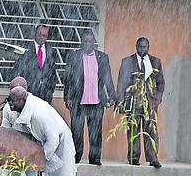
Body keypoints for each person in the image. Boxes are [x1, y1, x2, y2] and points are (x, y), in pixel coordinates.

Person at [4, 85, 76, 176]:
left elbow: (53, 139)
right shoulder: (21, 111)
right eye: (9, 101)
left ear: (23, 100)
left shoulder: (39, 113)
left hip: (59, 145)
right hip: (42, 147)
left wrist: (42, 160)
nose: (10, 104)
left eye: (13, 101)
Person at [63, 29, 116, 166]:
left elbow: (107, 77)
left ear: (94, 42)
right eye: (85, 41)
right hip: (78, 101)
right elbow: (67, 78)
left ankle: (95, 159)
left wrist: (112, 95)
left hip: (97, 101)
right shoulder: (74, 56)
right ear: (81, 42)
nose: (87, 44)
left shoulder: (102, 57)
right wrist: (68, 97)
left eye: (90, 41)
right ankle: (75, 158)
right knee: (77, 133)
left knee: (96, 133)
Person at [117, 37, 166, 168]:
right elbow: (121, 83)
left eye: (144, 47)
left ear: (148, 47)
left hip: (150, 102)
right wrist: (121, 101)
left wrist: (157, 98)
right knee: (133, 129)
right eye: (140, 47)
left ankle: (153, 158)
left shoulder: (155, 62)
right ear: (136, 46)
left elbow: (161, 82)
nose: (142, 49)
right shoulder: (127, 61)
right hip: (133, 101)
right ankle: (133, 157)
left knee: (151, 130)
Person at [12, 24, 58, 103]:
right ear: (35, 33)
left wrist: (50, 89)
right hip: (28, 92)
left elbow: (52, 72)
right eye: (39, 34)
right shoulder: (26, 49)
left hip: (45, 94)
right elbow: (18, 70)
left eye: (44, 36)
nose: (41, 37)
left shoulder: (51, 51)